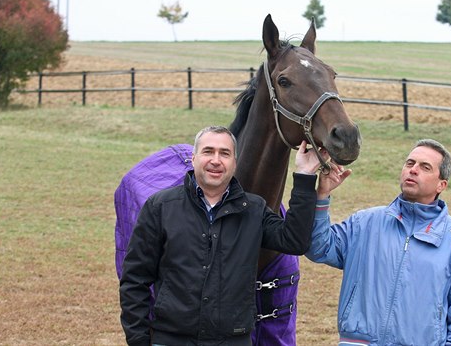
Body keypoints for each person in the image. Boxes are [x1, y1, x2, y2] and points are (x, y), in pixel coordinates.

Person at [119, 126, 323, 346]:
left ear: (234, 162)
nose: (216, 160)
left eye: (224, 153)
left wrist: (304, 176)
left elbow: (294, 240)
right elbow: (134, 280)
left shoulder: (254, 210)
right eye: (208, 151)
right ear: (194, 158)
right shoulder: (160, 207)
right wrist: (138, 341)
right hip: (171, 339)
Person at [306, 139, 451, 346]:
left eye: (425, 167)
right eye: (410, 163)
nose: (413, 170)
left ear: (441, 185)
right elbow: (317, 248)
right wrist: (322, 194)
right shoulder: (365, 223)